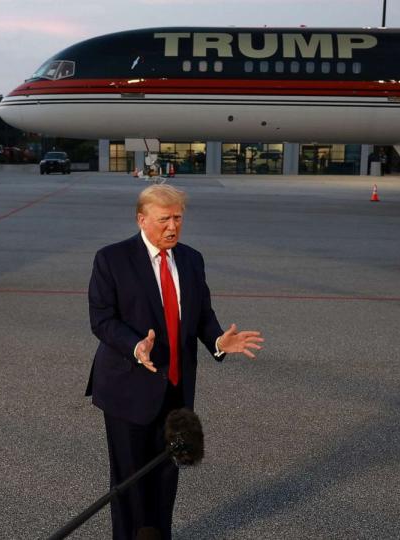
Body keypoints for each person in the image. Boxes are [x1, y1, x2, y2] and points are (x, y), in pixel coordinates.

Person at [86, 184, 264, 539]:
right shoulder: (112, 259)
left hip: (176, 389)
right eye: (164, 219)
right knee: (129, 481)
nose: (173, 227)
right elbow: (102, 319)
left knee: (166, 476)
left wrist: (217, 339)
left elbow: (202, 316)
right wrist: (136, 346)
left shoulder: (191, 259)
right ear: (142, 220)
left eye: (178, 218)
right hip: (128, 387)